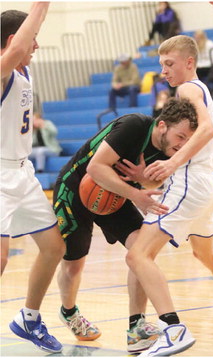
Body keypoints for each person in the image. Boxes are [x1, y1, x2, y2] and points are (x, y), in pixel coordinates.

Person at [124, 35, 213, 357]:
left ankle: (173, 330)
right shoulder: (199, 89)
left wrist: (173, 163)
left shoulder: (188, 88)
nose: (164, 71)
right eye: (162, 64)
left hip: (191, 181)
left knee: (137, 255)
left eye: (169, 63)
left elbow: (208, 129)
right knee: (206, 254)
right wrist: (155, 173)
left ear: (189, 62)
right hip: (205, 183)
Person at [53, 97, 198, 353]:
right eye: (181, 136)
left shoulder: (169, 153)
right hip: (76, 189)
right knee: (74, 264)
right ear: (162, 126)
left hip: (115, 197)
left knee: (141, 252)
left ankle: (136, 327)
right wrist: (136, 194)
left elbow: (152, 184)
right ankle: (69, 312)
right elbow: (96, 168)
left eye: (188, 139)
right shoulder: (134, 126)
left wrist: (141, 179)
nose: (183, 144)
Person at [1, 3, 65, 353]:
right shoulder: (3, 71)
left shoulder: (25, 71)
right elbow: (15, 50)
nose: (37, 45)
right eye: (34, 39)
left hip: (23, 172)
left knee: (54, 247)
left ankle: (28, 317)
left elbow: (20, 50)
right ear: (15, 40)